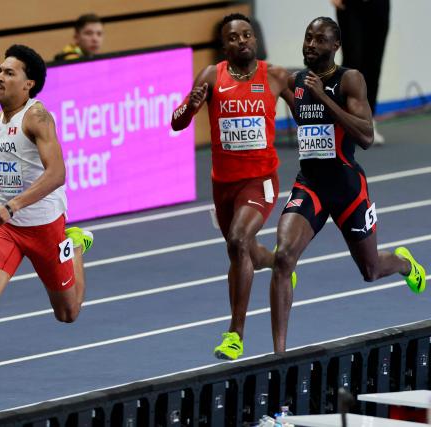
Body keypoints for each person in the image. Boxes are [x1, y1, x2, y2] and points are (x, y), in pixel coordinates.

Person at [0, 44, 94, 420]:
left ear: (29, 84)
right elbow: (3, 175)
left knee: (69, 313)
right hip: (7, 230)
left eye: (9, 73)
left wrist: (14, 205)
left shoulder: (39, 118)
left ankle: (75, 244)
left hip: (45, 227)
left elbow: (57, 173)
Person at [270, 17, 426, 354]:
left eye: (320, 39)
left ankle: (403, 262)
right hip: (310, 185)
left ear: (335, 46)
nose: (311, 44)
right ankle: (278, 355)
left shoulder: (349, 80)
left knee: (370, 270)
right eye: (307, 37)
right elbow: (277, 87)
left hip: (348, 190)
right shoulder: (297, 82)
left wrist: (324, 99)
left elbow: (367, 136)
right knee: (283, 259)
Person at [171, 13, 295, 361]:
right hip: (223, 184)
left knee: (239, 240)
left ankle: (235, 334)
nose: (242, 41)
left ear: (254, 39)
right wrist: (191, 107)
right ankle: (280, 265)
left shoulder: (275, 76)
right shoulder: (212, 76)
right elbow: (177, 122)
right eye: (234, 37)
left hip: (261, 180)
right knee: (242, 250)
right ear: (224, 46)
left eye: (247, 34)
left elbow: (306, 115)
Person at [332, 0, 389, 144]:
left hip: (377, 5)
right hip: (350, 5)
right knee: (353, 61)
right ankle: (345, 122)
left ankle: (367, 122)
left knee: (374, 64)